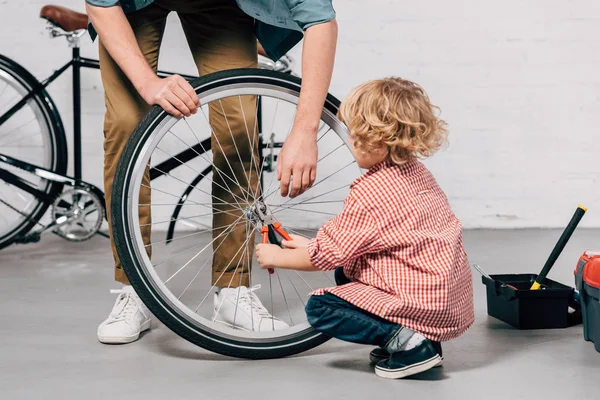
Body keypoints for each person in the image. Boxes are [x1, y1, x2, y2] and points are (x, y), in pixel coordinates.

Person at [86, 0, 338, 344]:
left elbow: (320, 20)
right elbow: (100, 3)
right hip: (136, 5)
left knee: (239, 125)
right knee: (126, 126)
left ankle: (233, 289)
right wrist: (148, 83)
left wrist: (306, 131)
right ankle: (134, 287)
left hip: (220, 5)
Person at [255, 77, 475, 379]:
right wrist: (311, 244)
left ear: (380, 139)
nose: (350, 142)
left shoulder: (374, 191)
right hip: (444, 299)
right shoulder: (418, 173)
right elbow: (361, 240)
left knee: (321, 307)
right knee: (347, 272)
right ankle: (423, 338)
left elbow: (328, 255)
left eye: (356, 136)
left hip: (420, 301)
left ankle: (409, 343)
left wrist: (276, 257)